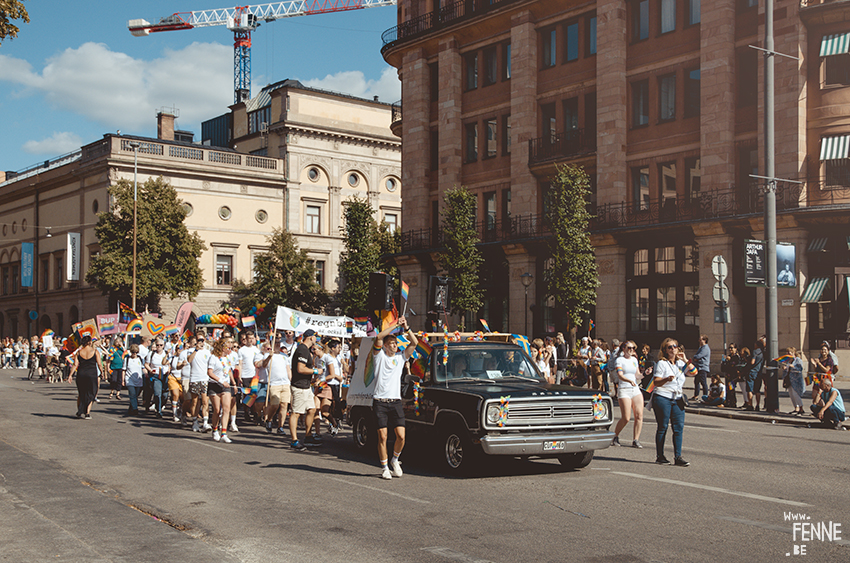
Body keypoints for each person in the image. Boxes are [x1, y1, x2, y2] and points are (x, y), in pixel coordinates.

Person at [373, 316, 417, 480]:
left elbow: (414, 343)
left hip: (395, 401)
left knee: (401, 436)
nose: (395, 345)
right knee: (382, 436)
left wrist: (406, 328)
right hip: (380, 401)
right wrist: (394, 325)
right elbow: (378, 337)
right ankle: (384, 467)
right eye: (392, 343)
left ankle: (395, 460)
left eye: (396, 343)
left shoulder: (401, 358)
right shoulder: (379, 357)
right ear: (385, 346)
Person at [651, 337, 694, 466]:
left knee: (678, 427)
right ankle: (660, 455)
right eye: (670, 347)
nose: (673, 349)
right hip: (663, 397)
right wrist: (666, 379)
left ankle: (678, 457)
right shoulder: (662, 363)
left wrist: (685, 359)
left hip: (677, 398)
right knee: (663, 426)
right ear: (665, 350)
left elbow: (694, 372)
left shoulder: (681, 364)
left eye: (675, 346)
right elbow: (656, 382)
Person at [290, 329, 321, 450]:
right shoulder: (302, 350)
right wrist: (315, 371)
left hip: (307, 386)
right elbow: (300, 369)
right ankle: (294, 440)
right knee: (296, 413)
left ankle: (308, 435)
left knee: (312, 410)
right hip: (299, 386)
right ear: (310, 337)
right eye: (315, 338)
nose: (316, 340)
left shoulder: (307, 350)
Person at [611, 340, 644, 448]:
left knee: (639, 415)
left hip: (635, 389)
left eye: (633, 348)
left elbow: (637, 375)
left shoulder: (634, 360)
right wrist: (628, 381)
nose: (631, 350)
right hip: (624, 389)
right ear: (623, 349)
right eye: (629, 348)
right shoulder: (619, 360)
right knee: (626, 417)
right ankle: (615, 436)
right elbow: (620, 375)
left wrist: (644, 374)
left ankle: (636, 439)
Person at [68, 335, 105, 419]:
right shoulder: (95, 351)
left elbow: (75, 364)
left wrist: (70, 375)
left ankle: (79, 411)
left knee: (81, 393)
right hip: (92, 374)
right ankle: (87, 413)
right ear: (89, 342)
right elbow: (99, 364)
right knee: (92, 392)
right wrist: (102, 372)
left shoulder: (79, 352)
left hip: (81, 373)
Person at [207, 337, 234, 443]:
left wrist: (233, 383)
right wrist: (221, 381)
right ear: (223, 347)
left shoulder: (228, 358)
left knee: (226, 409)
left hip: (226, 387)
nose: (230, 349)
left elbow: (229, 371)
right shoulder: (213, 357)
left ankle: (224, 433)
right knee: (217, 410)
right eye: (228, 347)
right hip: (214, 385)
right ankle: (214, 429)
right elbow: (210, 372)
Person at [263, 336, 291, 436]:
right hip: (274, 383)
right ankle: (269, 420)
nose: (277, 345)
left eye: (279, 343)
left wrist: (290, 381)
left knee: (284, 405)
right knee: (275, 405)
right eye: (275, 343)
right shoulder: (267, 355)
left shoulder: (284, 356)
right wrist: (269, 357)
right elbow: (264, 365)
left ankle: (280, 426)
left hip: (285, 383)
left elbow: (288, 369)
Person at [188, 334, 213, 433]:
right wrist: (196, 350)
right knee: (195, 402)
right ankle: (195, 421)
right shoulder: (191, 351)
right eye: (198, 340)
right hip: (194, 378)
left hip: (205, 379)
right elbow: (189, 360)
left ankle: (206, 422)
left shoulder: (208, 352)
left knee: (205, 401)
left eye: (202, 340)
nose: (200, 342)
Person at [145, 339, 171, 418]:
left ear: (163, 346)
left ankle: (161, 405)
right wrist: (150, 370)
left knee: (165, 395)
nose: (159, 347)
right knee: (157, 393)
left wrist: (169, 369)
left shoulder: (167, 354)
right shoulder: (151, 354)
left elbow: (170, 364)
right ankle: (158, 410)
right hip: (156, 375)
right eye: (157, 345)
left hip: (165, 375)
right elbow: (146, 364)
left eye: (161, 345)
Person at [782, 347, 806, 416]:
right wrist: (785, 368)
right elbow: (786, 370)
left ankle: (801, 409)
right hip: (789, 380)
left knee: (796, 394)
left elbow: (800, 369)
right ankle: (796, 408)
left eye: (789, 352)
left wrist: (793, 367)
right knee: (791, 394)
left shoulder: (798, 360)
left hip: (796, 380)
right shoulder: (788, 360)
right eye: (787, 352)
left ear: (793, 353)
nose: (788, 354)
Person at [745, 337, 766, 411]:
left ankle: (750, 405)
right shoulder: (763, 352)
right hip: (759, 372)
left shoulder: (755, 351)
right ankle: (758, 405)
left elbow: (752, 362)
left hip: (752, 372)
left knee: (749, 389)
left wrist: (748, 360)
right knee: (757, 390)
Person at [122, 344, 144, 415]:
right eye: (133, 352)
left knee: (135, 396)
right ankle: (135, 409)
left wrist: (146, 374)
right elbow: (124, 370)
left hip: (138, 380)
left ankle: (131, 408)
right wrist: (123, 380)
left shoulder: (140, 359)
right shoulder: (127, 359)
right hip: (129, 379)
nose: (134, 354)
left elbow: (143, 368)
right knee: (132, 394)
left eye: (136, 352)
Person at [691, 335, 711, 401]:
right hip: (698, 367)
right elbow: (695, 357)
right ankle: (696, 395)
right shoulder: (701, 348)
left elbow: (698, 356)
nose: (699, 341)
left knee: (703, 382)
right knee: (696, 381)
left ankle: (705, 396)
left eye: (700, 340)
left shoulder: (705, 348)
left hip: (703, 368)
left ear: (704, 340)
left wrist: (696, 358)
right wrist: (695, 358)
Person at [720, 343, 740, 408]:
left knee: (731, 389)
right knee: (728, 389)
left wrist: (730, 360)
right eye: (730, 348)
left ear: (735, 349)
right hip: (728, 375)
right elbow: (723, 367)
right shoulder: (728, 356)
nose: (730, 349)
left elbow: (735, 365)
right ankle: (728, 401)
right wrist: (723, 361)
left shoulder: (736, 357)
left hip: (733, 376)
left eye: (732, 348)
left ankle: (733, 402)